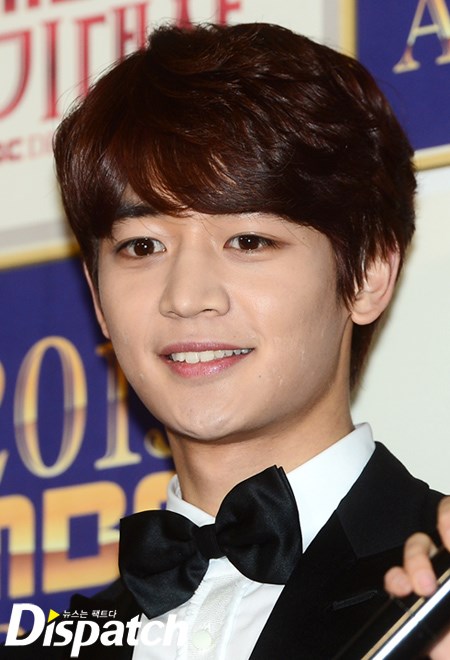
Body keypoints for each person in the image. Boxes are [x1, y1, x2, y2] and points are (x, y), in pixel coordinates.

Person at [16, 21, 450, 658]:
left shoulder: (437, 593)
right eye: (142, 246)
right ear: (97, 295)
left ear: (367, 274)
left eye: (248, 241)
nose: (186, 295)